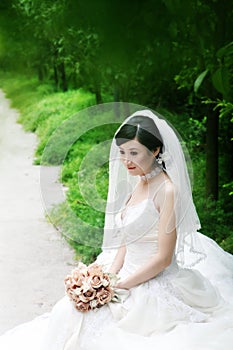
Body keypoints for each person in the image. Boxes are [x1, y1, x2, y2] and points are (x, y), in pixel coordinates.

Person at [0, 109, 233, 349]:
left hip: (150, 279)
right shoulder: (140, 180)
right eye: (122, 152)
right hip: (123, 273)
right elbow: (127, 236)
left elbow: (163, 258)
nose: (126, 160)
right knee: (65, 312)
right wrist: (107, 276)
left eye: (134, 153)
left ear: (155, 151)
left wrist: (121, 286)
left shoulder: (166, 190)